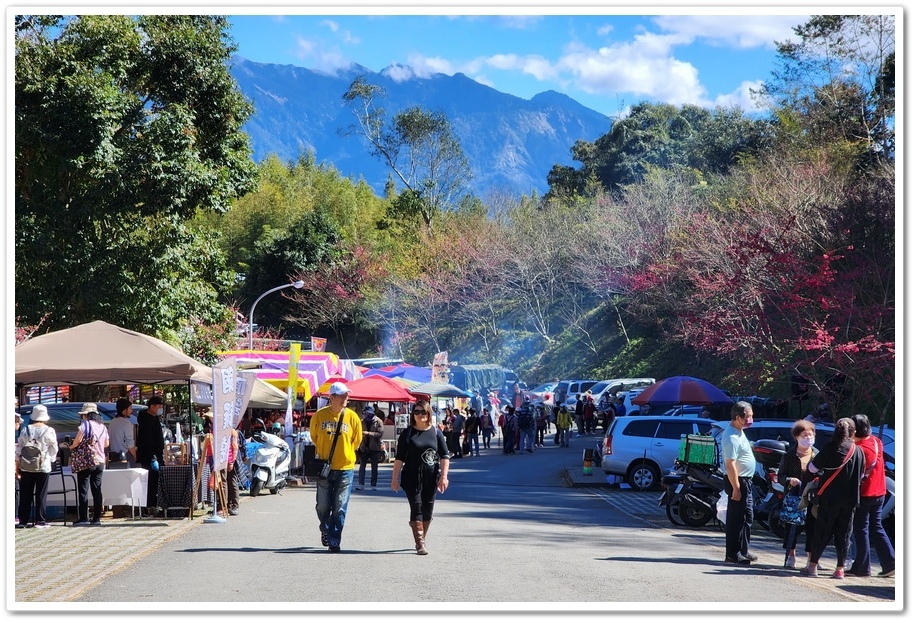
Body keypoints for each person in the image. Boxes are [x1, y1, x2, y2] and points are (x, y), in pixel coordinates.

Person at [800, 418, 865, 579]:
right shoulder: (858, 451)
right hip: (850, 499)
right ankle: (839, 569)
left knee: (822, 531)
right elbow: (862, 475)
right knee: (844, 534)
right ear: (853, 432)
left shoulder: (831, 448)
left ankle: (813, 566)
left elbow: (812, 468)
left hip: (829, 497)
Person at [390, 400, 450, 555]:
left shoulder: (436, 432)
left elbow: (444, 456)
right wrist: (395, 478)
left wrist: (444, 476)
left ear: (428, 413)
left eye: (423, 412)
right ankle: (420, 543)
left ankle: (422, 536)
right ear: (413, 414)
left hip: (431, 477)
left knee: (428, 509)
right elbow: (399, 458)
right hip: (411, 476)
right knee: (416, 507)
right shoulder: (408, 433)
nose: (420, 415)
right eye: (416, 412)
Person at [309, 381, 362, 553]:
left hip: (345, 468)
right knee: (323, 505)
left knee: (339, 507)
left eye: (347, 395)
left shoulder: (352, 417)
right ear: (331, 397)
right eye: (342, 395)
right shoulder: (319, 416)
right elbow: (314, 437)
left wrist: (345, 454)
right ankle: (325, 529)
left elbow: (356, 441)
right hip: (325, 468)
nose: (346, 398)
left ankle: (334, 539)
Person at [848, 414, 894, 578]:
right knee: (876, 527)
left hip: (865, 492)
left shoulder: (858, 449)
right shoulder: (876, 442)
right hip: (880, 490)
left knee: (861, 529)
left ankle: (862, 567)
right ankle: (890, 563)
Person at [776, 419, 819, 569]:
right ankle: (791, 555)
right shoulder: (789, 455)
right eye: (804, 435)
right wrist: (789, 480)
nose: (808, 438)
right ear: (797, 437)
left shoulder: (817, 455)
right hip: (794, 496)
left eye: (810, 435)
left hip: (812, 498)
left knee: (813, 529)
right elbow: (780, 475)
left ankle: (811, 559)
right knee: (791, 527)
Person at [722, 400, 757, 565]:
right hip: (738, 481)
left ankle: (743, 549)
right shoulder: (731, 437)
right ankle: (732, 554)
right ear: (738, 417)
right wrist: (736, 488)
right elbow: (730, 464)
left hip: (746, 480)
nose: (750, 419)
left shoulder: (739, 431)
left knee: (747, 517)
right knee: (736, 518)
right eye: (748, 416)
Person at [15, 404, 59, 529]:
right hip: (43, 465)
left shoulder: (26, 429)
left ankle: (23, 520)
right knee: (41, 493)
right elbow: (54, 447)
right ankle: (40, 520)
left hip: (26, 465)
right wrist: (51, 459)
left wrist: (18, 461)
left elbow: (20, 447)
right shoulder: (49, 430)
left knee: (25, 493)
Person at [70, 403, 110, 525]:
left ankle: (83, 518)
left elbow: (77, 442)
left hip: (86, 461)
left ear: (86, 415)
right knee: (97, 490)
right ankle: (96, 518)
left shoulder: (85, 425)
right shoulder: (103, 427)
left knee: (83, 489)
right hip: (100, 461)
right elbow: (106, 444)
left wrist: (70, 446)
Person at [136, 396, 166, 516]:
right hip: (149, 456)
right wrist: (153, 457)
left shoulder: (155, 418)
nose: (160, 409)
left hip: (156, 455)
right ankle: (149, 506)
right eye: (159, 406)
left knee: (154, 481)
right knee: (150, 482)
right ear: (152, 406)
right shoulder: (146, 420)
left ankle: (153, 504)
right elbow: (147, 441)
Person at [356, 405, 384, 490]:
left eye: (368, 413)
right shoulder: (361, 421)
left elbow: (380, 434)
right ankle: (361, 484)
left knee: (374, 468)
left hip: (375, 448)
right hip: (364, 447)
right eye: (365, 413)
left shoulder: (378, 421)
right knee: (362, 467)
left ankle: (373, 485)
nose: (366, 415)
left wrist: (368, 433)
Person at [108, 397, 137, 467]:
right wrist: (135, 456)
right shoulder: (126, 423)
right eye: (130, 408)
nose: (131, 410)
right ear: (124, 410)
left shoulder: (112, 422)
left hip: (113, 455)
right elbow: (130, 443)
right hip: (125, 455)